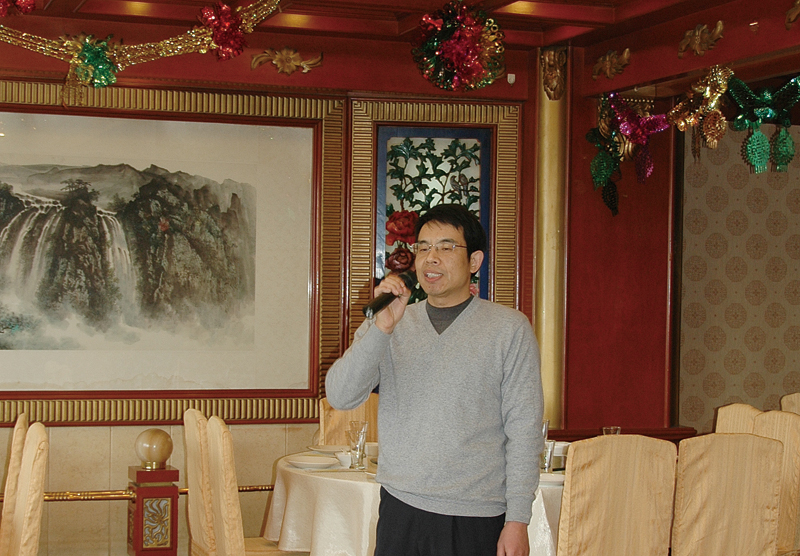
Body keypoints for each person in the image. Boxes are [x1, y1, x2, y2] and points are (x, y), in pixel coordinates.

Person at [325, 203, 543, 556]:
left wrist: (518, 519)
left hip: (476, 515)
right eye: (423, 247)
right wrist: (381, 329)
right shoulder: (393, 320)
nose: (431, 258)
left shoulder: (509, 329)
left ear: (474, 261)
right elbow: (340, 395)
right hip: (400, 508)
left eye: (446, 247)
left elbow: (524, 430)